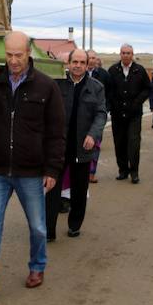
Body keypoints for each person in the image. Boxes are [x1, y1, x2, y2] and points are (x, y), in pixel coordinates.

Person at [0, 31, 65, 304]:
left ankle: (37, 266)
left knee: (39, 227)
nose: (14, 60)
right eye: (9, 55)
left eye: (18, 55)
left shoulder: (45, 86)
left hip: (31, 171)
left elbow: (56, 131)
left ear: (29, 52)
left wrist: (52, 170)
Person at [46, 49, 107, 240]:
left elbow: (101, 113)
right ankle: (49, 230)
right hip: (59, 146)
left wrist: (92, 134)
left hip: (83, 146)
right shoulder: (57, 84)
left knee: (79, 189)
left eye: (82, 62)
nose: (78, 65)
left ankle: (74, 225)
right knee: (51, 187)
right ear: (69, 63)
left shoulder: (96, 87)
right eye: (75, 61)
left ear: (87, 64)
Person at [107, 44, 151, 184]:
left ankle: (134, 172)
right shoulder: (113, 70)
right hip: (117, 114)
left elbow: (147, 89)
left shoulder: (139, 70)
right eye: (123, 53)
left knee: (133, 143)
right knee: (119, 143)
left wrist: (137, 102)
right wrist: (114, 104)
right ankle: (123, 170)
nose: (126, 55)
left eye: (129, 53)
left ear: (132, 55)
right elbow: (109, 90)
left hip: (134, 115)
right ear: (120, 54)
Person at [86, 50, 110, 183]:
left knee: (95, 145)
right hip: (82, 116)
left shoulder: (103, 75)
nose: (91, 60)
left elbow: (111, 92)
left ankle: (91, 173)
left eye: (94, 58)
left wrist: (107, 108)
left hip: (97, 116)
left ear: (97, 60)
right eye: (89, 57)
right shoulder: (78, 74)